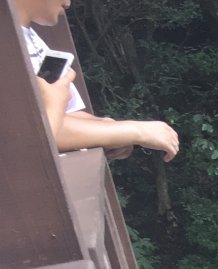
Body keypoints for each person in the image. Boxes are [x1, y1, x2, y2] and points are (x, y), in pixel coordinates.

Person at [17, 0, 179, 160]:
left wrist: (109, 127)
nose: (69, 3)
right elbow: (30, 131)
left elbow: (66, 115)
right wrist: (133, 131)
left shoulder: (29, 36)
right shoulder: (7, 43)